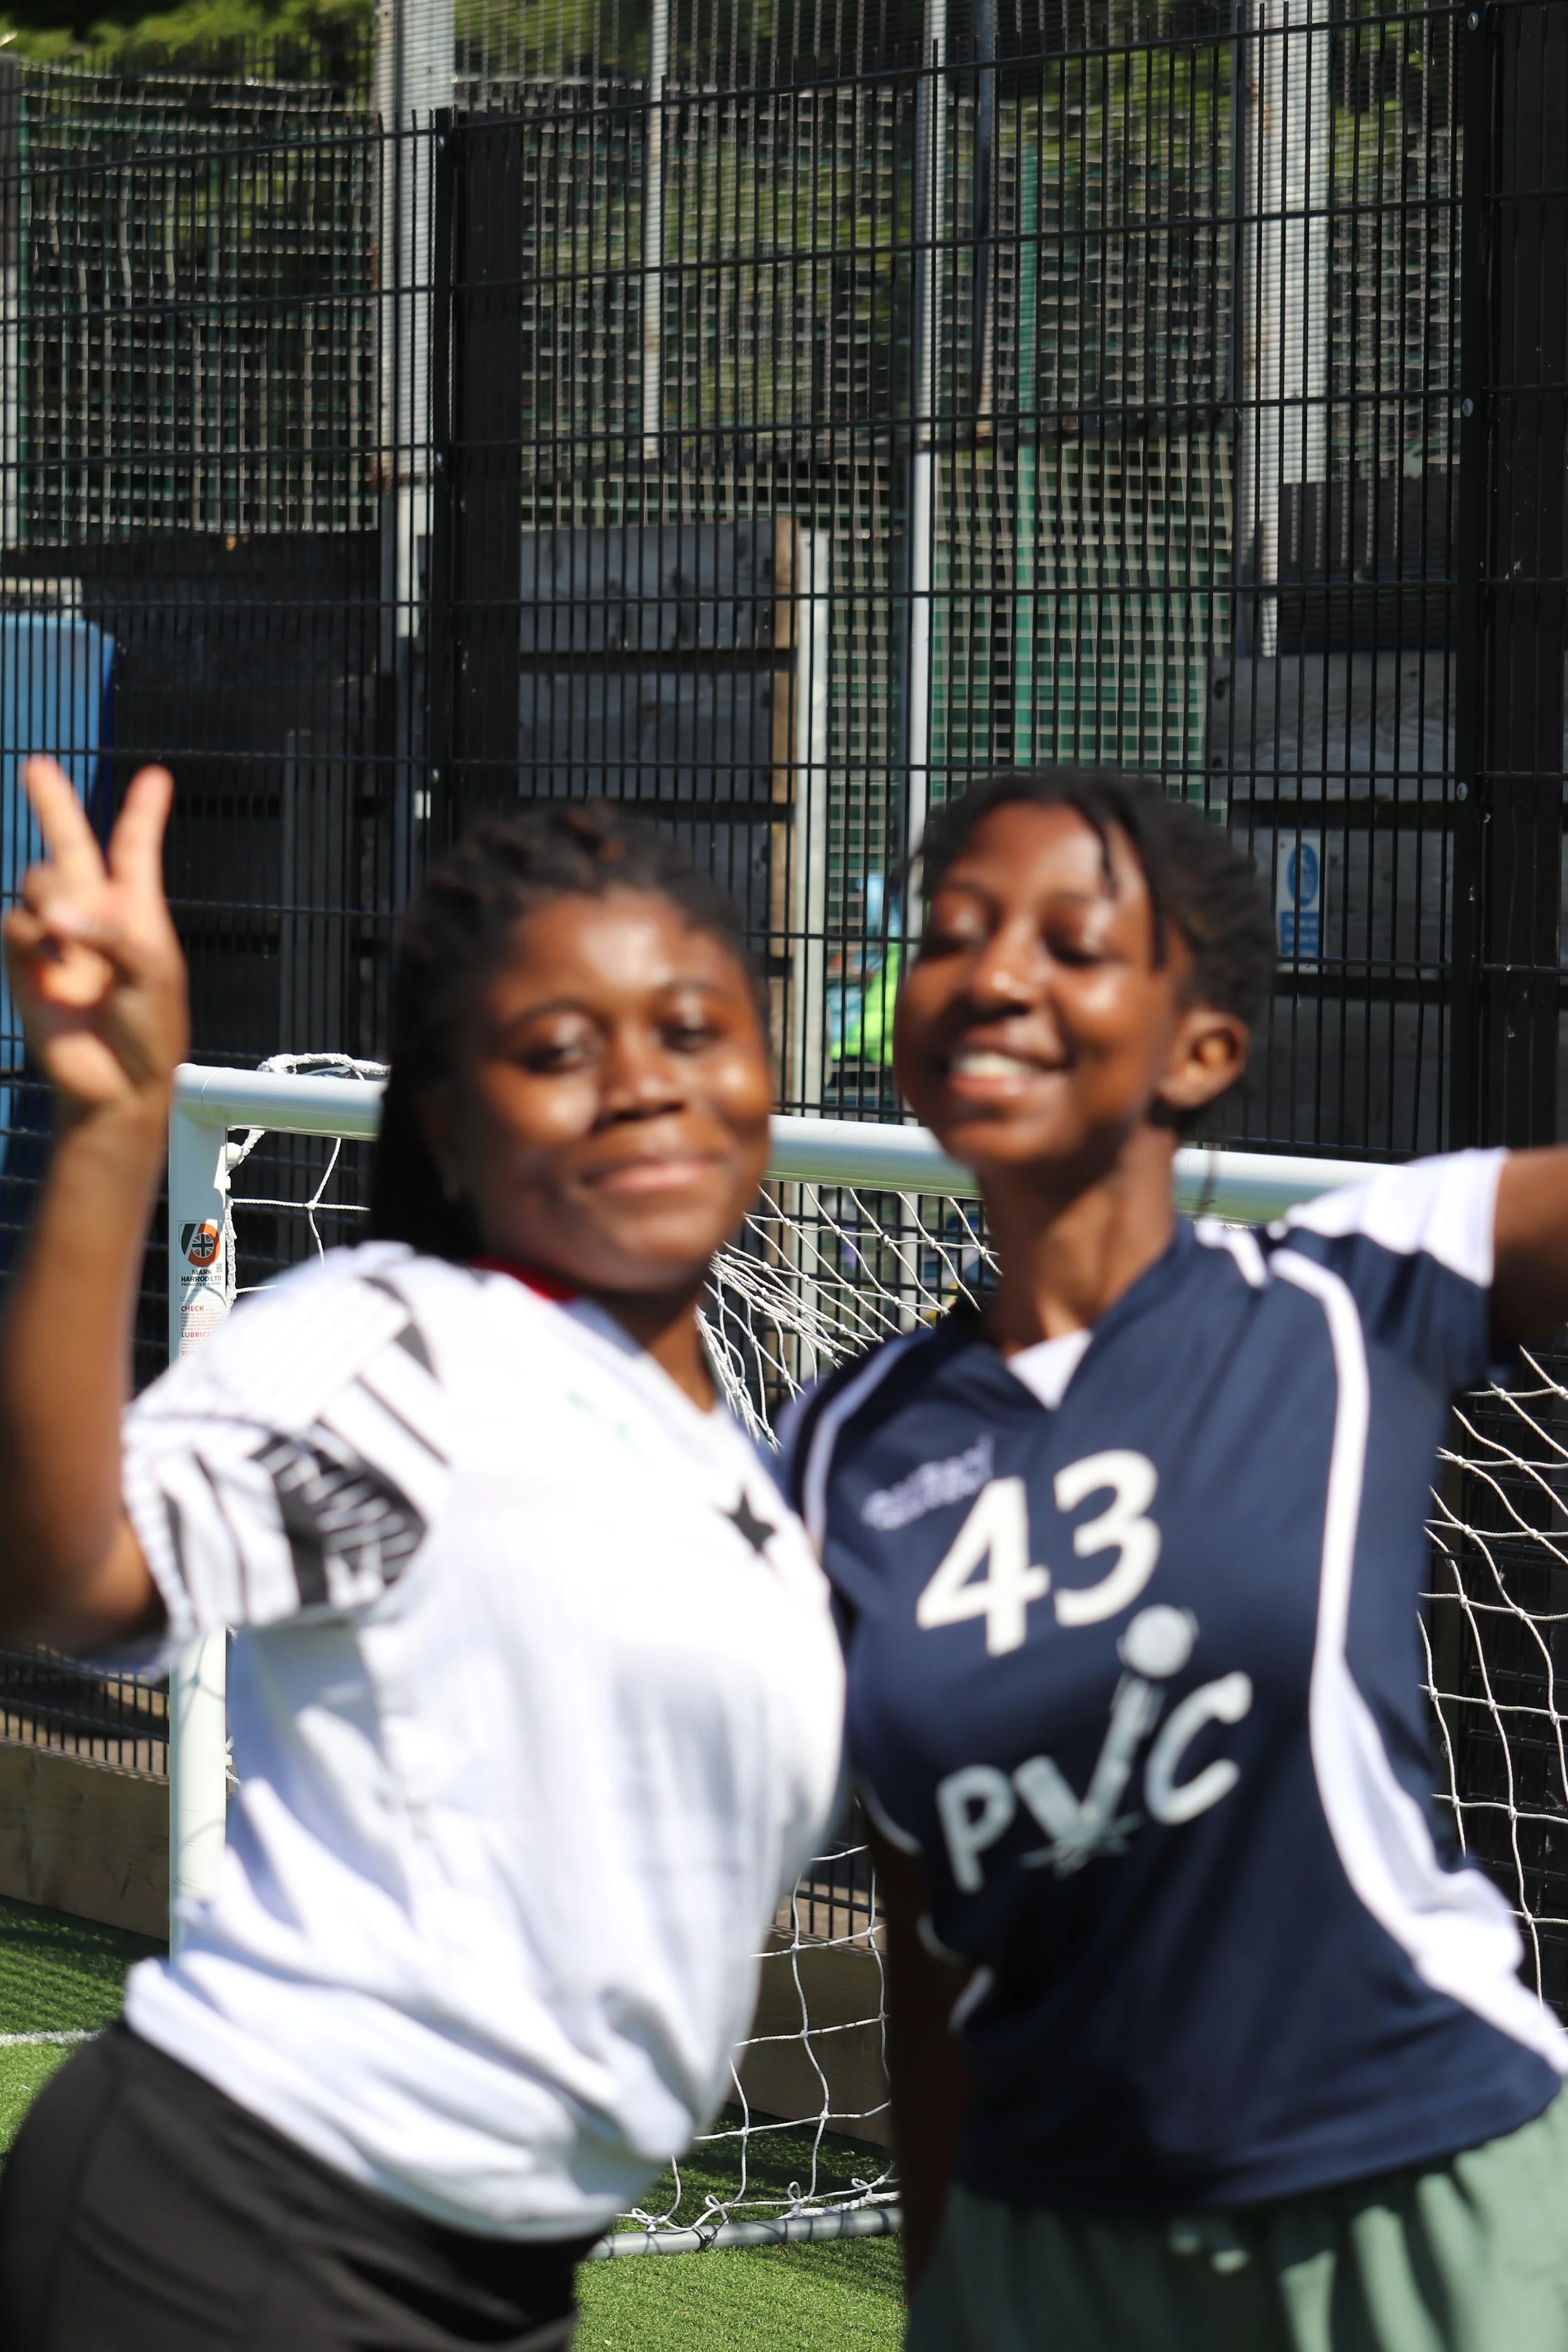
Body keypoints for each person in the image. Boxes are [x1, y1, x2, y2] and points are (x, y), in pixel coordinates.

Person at [0, 758, 844, 2352]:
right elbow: (69, 1577)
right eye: (555, 1050)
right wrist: (114, 1125)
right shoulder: (402, 1348)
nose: (641, 1081)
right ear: (450, 1121)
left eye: (689, 1029)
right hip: (236, 2233)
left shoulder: (730, 1471)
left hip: (489, 2278)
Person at [787, 765, 1568, 2352]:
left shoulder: (1349, 1296)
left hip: (1414, 2199)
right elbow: (933, 1948)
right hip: (1043, 2250)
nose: (992, 973)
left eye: (1069, 944)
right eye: (950, 933)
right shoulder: (838, 1453)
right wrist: (946, 2302)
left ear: (1199, 1044)